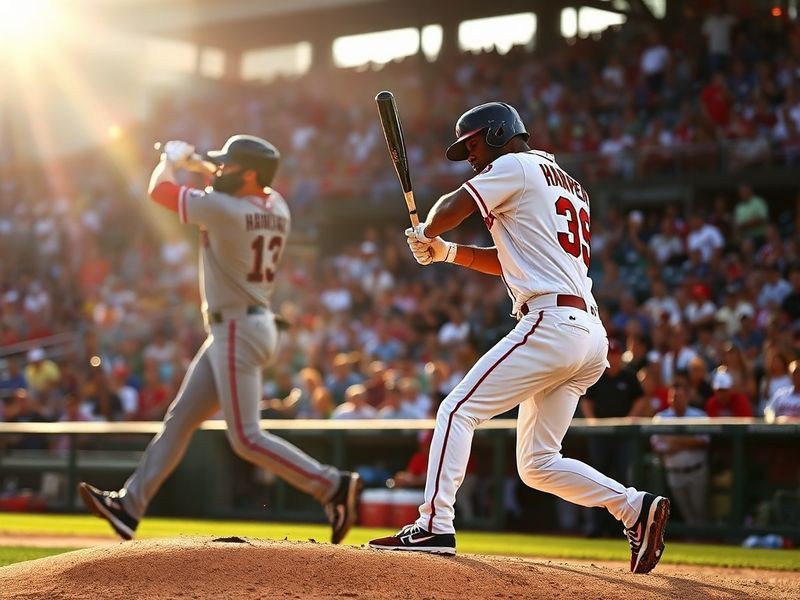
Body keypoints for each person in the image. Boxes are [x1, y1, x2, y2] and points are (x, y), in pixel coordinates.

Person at [368, 102, 670, 574]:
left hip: (551, 322)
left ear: (497, 134)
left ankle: (434, 524)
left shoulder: (513, 165)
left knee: (456, 410)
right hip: (587, 333)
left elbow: (457, 204)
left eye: (471, 144)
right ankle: (633, 506)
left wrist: (425, 229)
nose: (469, 156)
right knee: (538, 463)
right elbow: (511, 258)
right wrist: (444, 252)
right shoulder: (561, 180)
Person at [79, 135, 361, 544]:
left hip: (237, 330)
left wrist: (170, 161)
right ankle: (129, 505)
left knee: (245, 437)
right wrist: (202, 164)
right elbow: (232, 183)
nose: (222, 169)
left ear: (249, 173)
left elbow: (159, 190)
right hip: (248, 325)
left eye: (230, 165)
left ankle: (331, 485)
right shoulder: (275, 203)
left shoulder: (224, 209)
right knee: (180, 420)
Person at [650, 373, 710, 525]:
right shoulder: (661, 418)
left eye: (680, 396)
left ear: (687, 397)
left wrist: (673, 440)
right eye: (674, 397)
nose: (676, 400)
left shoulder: (699, 416)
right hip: (674, 473)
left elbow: (703, 441)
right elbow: (657, 445)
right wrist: (688, 441)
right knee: (688, 517)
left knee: (700, 514)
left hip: (696, 471)